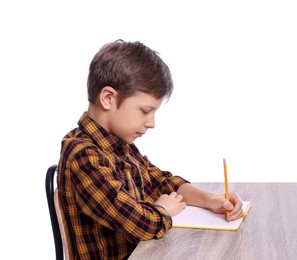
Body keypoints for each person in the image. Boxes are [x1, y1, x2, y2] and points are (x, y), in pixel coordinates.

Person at [58, 39, 244, 259]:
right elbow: (138, 223)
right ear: (108, 98)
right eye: (145, 111)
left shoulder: (121, 146)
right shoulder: (83, 156)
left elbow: (162, 182)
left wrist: (210, 200)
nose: (151, 123)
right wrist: (163, 210)